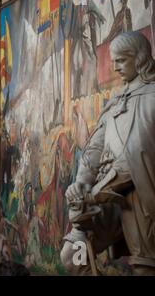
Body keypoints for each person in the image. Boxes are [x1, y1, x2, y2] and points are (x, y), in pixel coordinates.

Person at [61, 31, 155, 275]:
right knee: (72, 256)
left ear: (141, 58)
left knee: (145, 267)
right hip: (106, 201)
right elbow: (94, 148)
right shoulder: (115, 101)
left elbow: (134, 154)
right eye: (113, 61)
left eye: (121, 60)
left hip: (141, 197)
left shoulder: (152, 96)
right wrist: (81, 182)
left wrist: (95, 193)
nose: (115, 67)